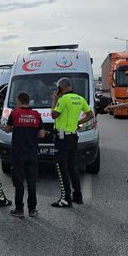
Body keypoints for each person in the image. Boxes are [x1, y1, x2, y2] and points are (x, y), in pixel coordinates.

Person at [50, 77, 94, 208]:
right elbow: (90, 114)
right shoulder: (80, 98)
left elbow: (53, 115)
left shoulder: (62, 99)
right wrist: (77, 123)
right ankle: (77, 196)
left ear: (60, 88)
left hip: (62, 139)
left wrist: (54, 99)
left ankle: (65, 199)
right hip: (73, 136)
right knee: (72, 167)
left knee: (61, 168)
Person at [4, 92, 45, 218]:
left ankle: (19, 209)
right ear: (29, 101)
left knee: (19, 182)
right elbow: (42, 134)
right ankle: (32, 209)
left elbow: (7, 129)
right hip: (32, 153)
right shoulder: (36, 115)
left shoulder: (14, 114)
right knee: (32, 182)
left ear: (19, 101)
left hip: (18, 154)